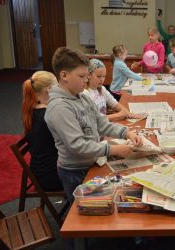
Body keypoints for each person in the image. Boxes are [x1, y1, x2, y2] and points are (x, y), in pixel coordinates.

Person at [45, 47, 142, 204]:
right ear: (64, 75)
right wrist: (113, 149)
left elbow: (102, 124)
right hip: (75, 171)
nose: (86, 80)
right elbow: (78, 146)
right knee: (85, 211)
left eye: (87, 75)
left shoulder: (82, 96)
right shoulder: (60, 108)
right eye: (82, 76)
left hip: (91, 162)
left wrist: (126, 133)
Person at [21, 71, 63, 191]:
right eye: (57, 86)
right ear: (49, 89)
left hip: (41, 171)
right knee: (91, 171)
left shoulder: (32, 109)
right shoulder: (47, 115)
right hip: (51, 176)